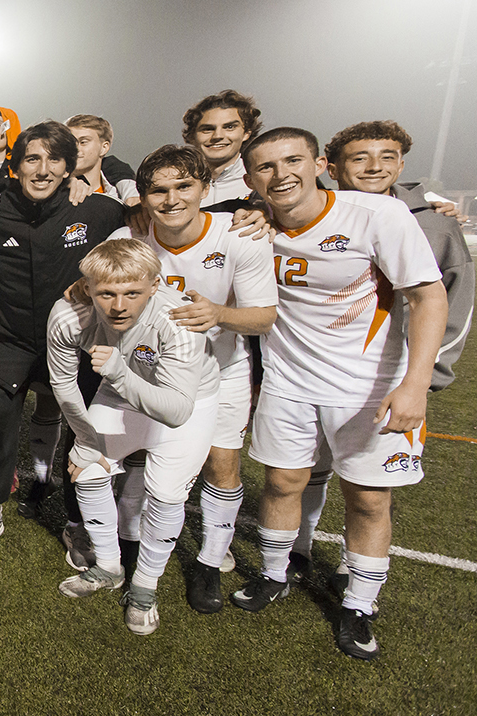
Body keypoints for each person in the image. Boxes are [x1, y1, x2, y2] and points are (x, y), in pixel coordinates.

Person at [234, 128, 447, 661]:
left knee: (369, 497)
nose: (281, 174)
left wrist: (415, 384)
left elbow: (427, 296)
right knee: (282, 481)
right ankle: (275, 573)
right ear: (250, 179)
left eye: (292, 161)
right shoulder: (253, 224)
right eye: (266, 167)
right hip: (288, 380)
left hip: (367, 385)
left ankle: (359, 604)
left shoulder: (376, 215)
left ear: (320, 163)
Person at [286, 121, 475, 574]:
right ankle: (300, 551)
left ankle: (358, 583)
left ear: (402, 164)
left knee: (369, 490)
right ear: (331, 168)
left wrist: (425, 376)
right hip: (310, 373)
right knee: (307, 469)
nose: (374, 167)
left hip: (388, 378)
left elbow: (454, 302)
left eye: (387, 157)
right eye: (359, 158)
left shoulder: (433, 224)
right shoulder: (299, 212)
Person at [0, 121, 127, 553]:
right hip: (9, 340)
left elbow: (150, 214)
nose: (42, 170)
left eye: (54, 160)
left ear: (68, 167)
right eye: (32, 159)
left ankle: (79, 520)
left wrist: (254, 212)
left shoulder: (98, 210)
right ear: (15, 166)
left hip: (78, 346)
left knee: (86, 431)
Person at [110, 145, 276, 612]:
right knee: (144, 460)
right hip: (153, 374)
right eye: (158, 191)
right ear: (142, 198)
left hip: (222, 371)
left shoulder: (241, 235)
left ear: (205, 188)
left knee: (222, 466)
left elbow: (264, 317)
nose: (171, 199)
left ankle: (208, 563)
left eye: (184, 186)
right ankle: (133, 545)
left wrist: (219, 313)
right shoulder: (132, 238)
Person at [47, 239, 221, 635]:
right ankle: (109, 565)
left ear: (155, 286)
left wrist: (121, 374)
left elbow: (176, 410)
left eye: (132, 293)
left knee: (166, 493)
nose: (119, 305)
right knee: (85, 469)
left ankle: (145, 585)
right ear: (87, 287)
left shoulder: (178, 320)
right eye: (106, 293)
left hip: (187, 403)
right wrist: (88, 440)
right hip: (119, 390)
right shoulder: (68, 315)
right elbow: (63, 384)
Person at [181, 90, 262, 211]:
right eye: (207, 129)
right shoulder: (169, 183)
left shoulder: (262, 181)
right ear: (192, 137)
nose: (217, 136)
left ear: (246, 133)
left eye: (229, 127)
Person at [65, 115, 139, 204]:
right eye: (70, 142)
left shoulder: (121, 193)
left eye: (83, 142)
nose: (75, 148)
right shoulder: (53, 190)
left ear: (104, 148)